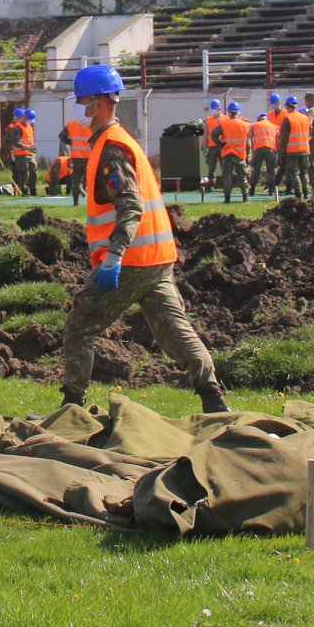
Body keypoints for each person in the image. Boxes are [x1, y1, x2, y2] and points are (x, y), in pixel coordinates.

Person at [58, 65, 227, 414]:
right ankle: (214, 399)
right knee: (174, 332)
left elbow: (130, 206)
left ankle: (71, 406)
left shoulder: (111, 148)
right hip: (156, 258)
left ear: (101, 102)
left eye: (83, 102)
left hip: (130, 259)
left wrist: (114, 256)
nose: (80, 110)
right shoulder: (122, 139)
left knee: (80, 326)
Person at [277, 95, 314, 197]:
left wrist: (281, 153)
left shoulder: (288, 119)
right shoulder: (305, 118)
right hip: (305, 149)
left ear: (288, 106)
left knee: (294, 173)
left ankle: (298, 193)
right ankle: (306, 192)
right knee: (304, 172)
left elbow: (284, 138)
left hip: (292, 151)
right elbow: (310, 133)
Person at [218, 101, 250, 203]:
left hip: (227, 153)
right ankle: (245, 198)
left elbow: (214, 135)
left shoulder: (224, 124)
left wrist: (221, 143)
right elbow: (248, 143)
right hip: (240, 154)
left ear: (228, 112)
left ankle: (227, 199)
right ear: (238, 112)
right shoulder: (246, 125)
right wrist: (248, 154)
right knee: (243, 176)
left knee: (227, 175)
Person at [246, 108, 280, 197]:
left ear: (259, 119)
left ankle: (252, 189)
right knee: (271, 170)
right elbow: (278, 139)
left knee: (256, 169)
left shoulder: (254, 125)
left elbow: (249, 138)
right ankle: (271, 190)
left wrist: (250, 151)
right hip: (271, 149)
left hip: (258, 148)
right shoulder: (274, 126)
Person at [60, 113, 92, 205]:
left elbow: (62, 136)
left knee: (76, 179)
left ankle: (76, 201)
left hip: (77, 156)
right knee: (91, 178)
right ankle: (92, 199)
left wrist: (71, 142)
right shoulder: (92, 124)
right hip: (90, 155)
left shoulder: (71, 124)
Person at [7, 107, 38, 196]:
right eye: (29, 119)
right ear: (24, 117)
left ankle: (33, 189)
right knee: (24, 174)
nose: (30, 121)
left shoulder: (29, 127)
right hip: (21, 155)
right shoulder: (17, 128)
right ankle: (23, 191)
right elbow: (14, 142)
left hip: (30, 154)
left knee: (34, 172)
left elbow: (30, 140)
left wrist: (31, 149)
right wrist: (25, 147)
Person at [202, 99, 224, 185]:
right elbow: (206, 134)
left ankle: (225, 184)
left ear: (219, 108)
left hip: (222, 146)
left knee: (224, 166)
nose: (213, 110)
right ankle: (211, 184)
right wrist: (204, 146)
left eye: (215, 108)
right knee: (211, 167)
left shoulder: (225, 119)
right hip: (211, 147)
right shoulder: (209, 119)